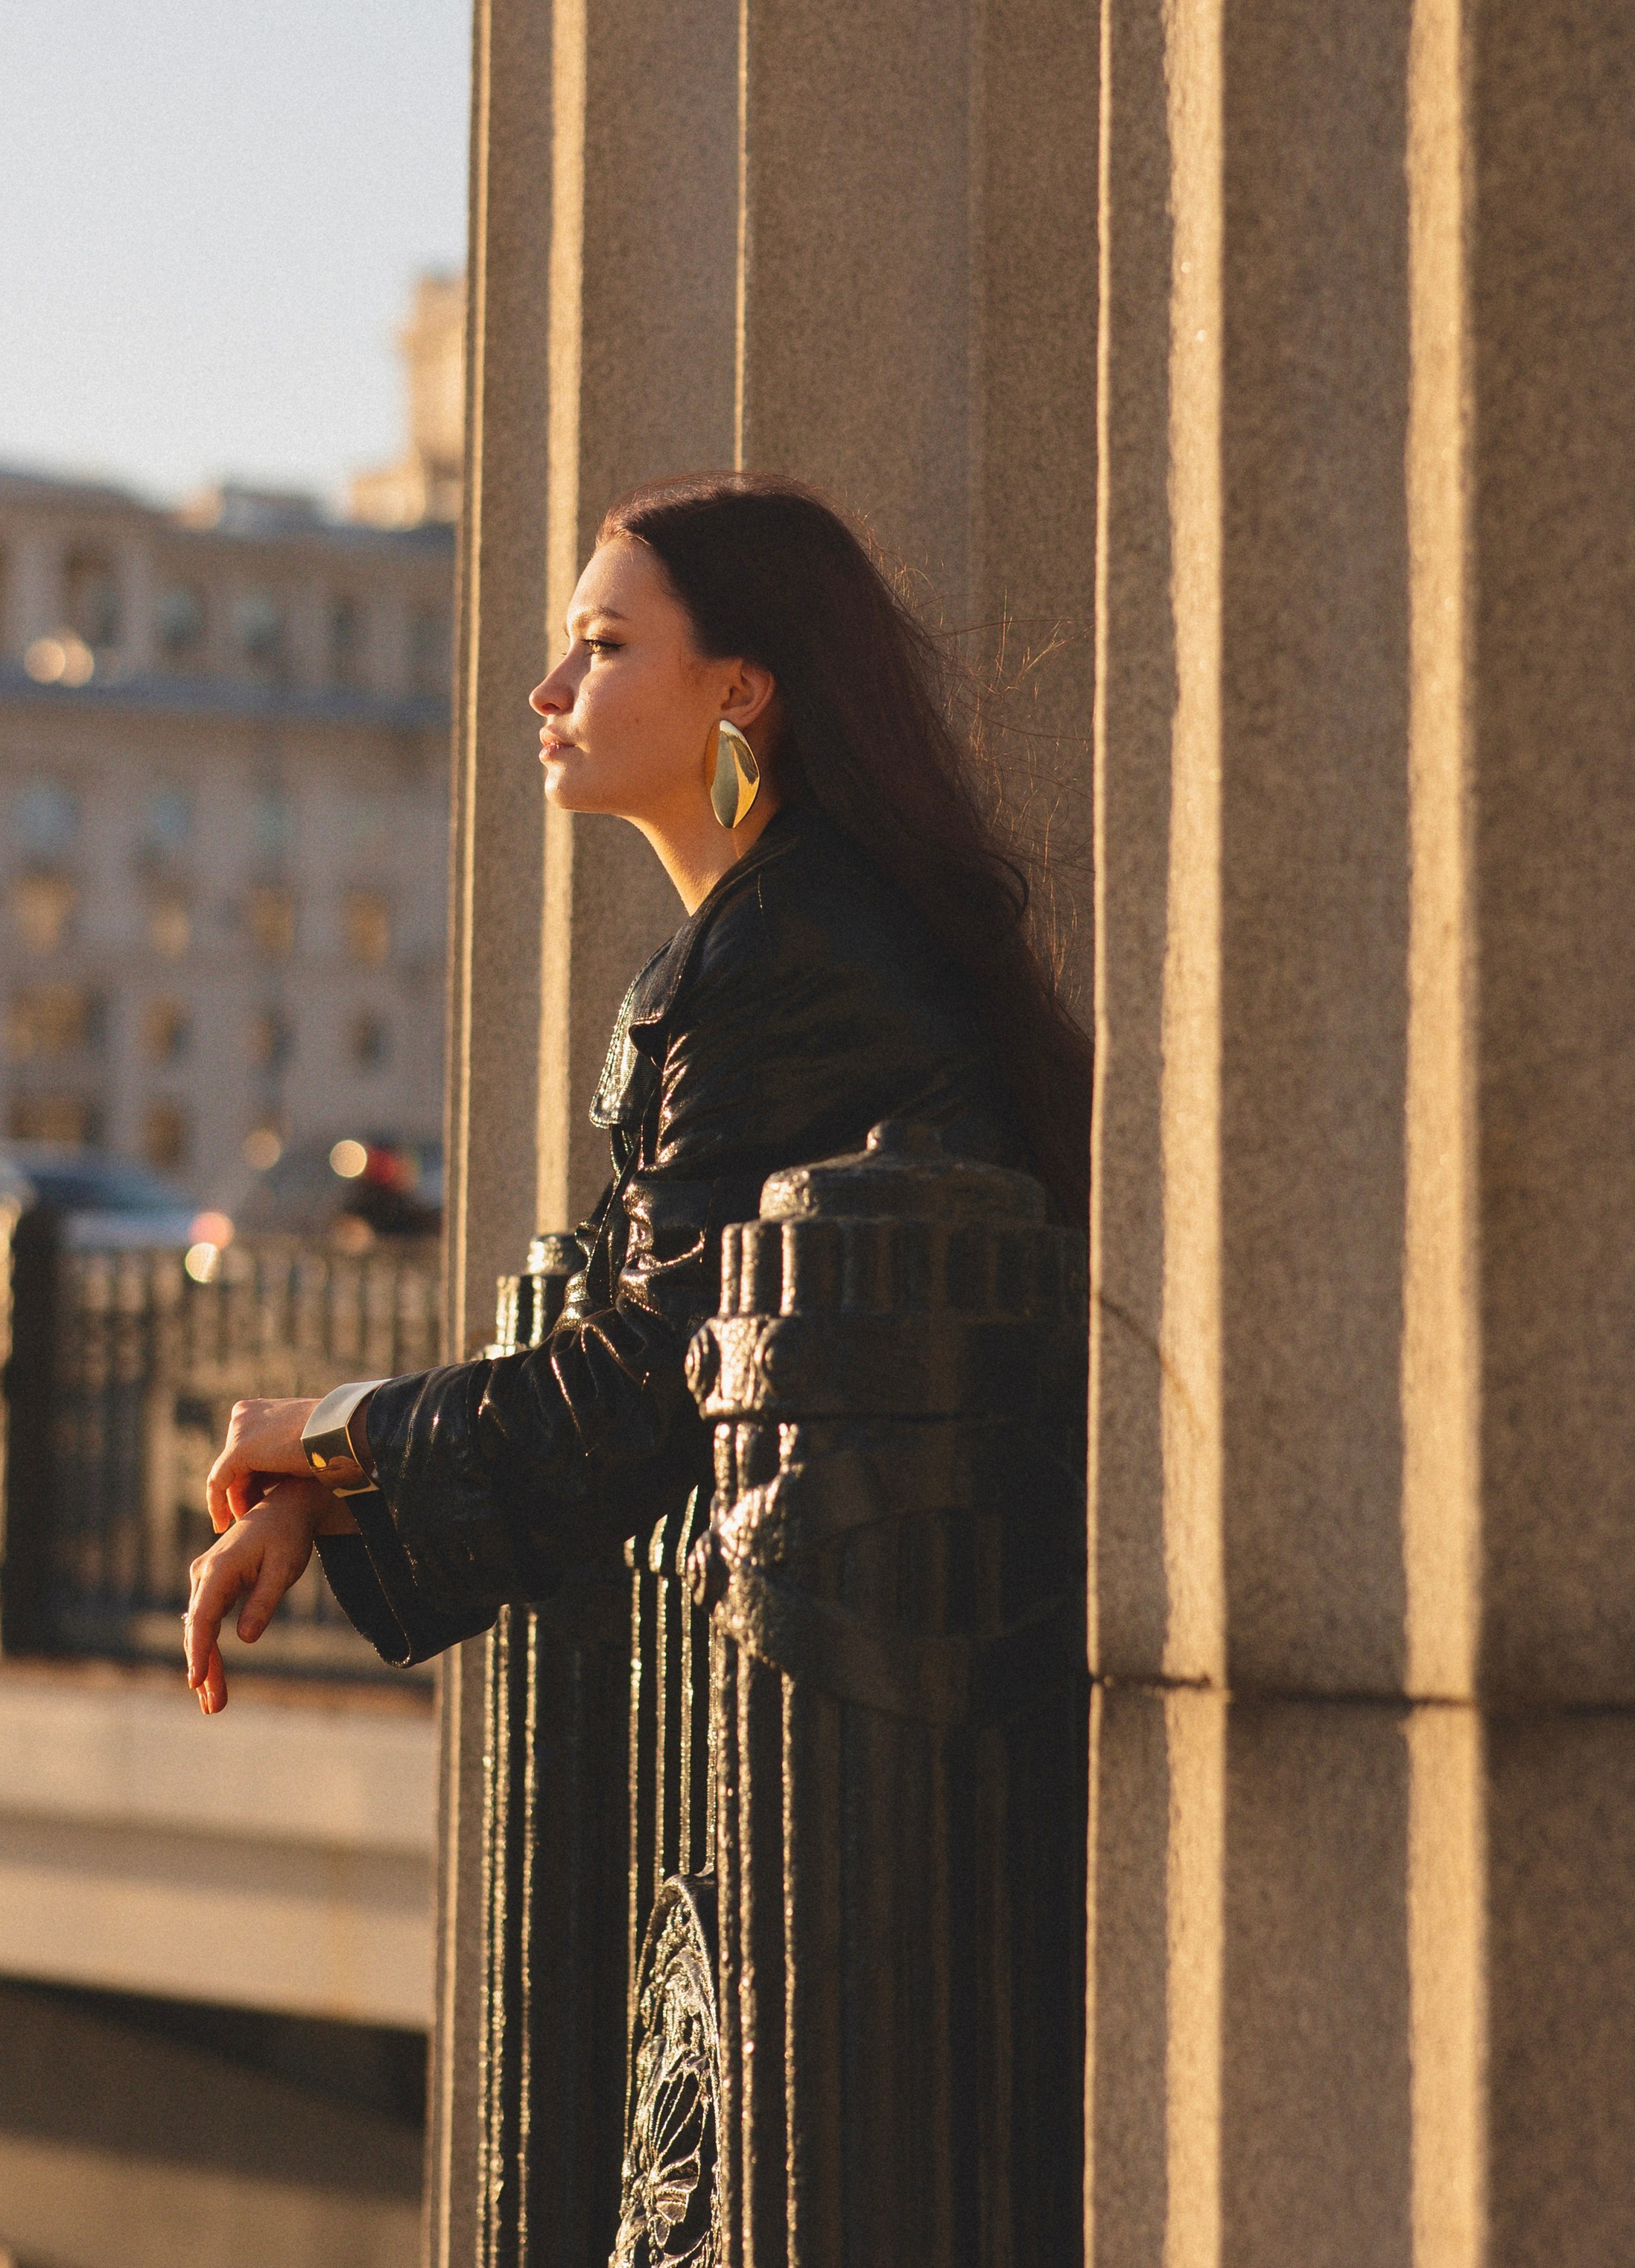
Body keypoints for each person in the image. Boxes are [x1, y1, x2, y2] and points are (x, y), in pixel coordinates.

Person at [183, 473, 1090, 1712]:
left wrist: (334, 1429)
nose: (548, 688)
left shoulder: (788, 952)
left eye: (604, 646)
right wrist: (324, 1481)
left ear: (740, 689)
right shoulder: (787, 924)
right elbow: (623, 1348)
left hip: (880, 1672)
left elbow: (644, 1384)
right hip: (886, 1629)